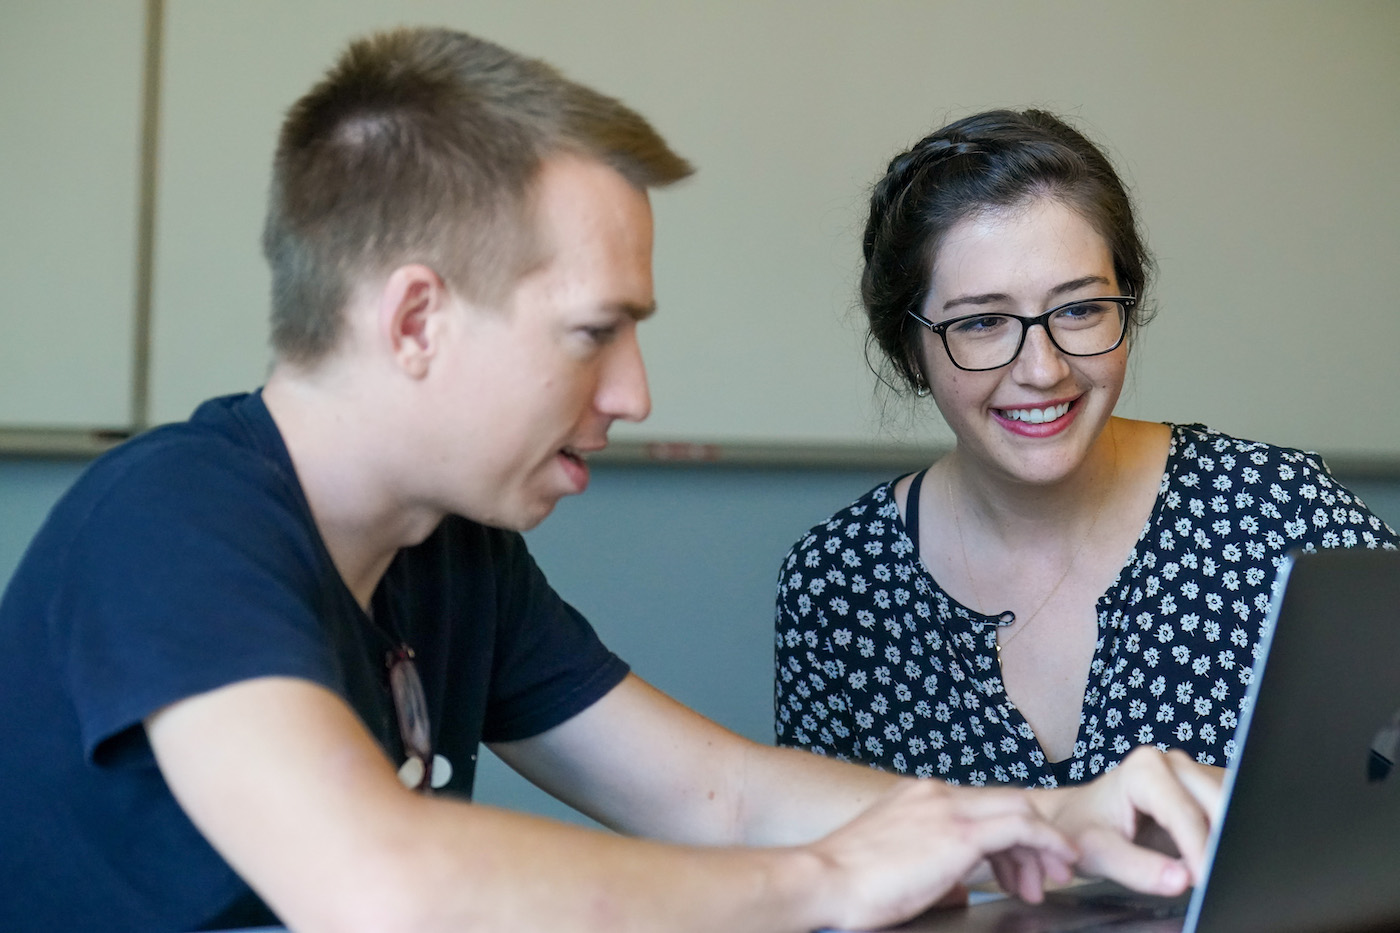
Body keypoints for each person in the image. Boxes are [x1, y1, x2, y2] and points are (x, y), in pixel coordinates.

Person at [1, 35, 1221, 933]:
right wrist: (832, 883)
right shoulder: (173, 522)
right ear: (416, 318)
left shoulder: (449, 553)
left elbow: (725, 798)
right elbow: (381, 889)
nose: (633, 393)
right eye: (594, 332)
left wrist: (1045, 821)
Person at [774, 109, 1400, 791]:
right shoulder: (837, 582)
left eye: (1079, 309)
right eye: (982, 322)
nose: (1043, 369)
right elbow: (826, 865)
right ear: (911, 348)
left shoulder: (1274, 513)